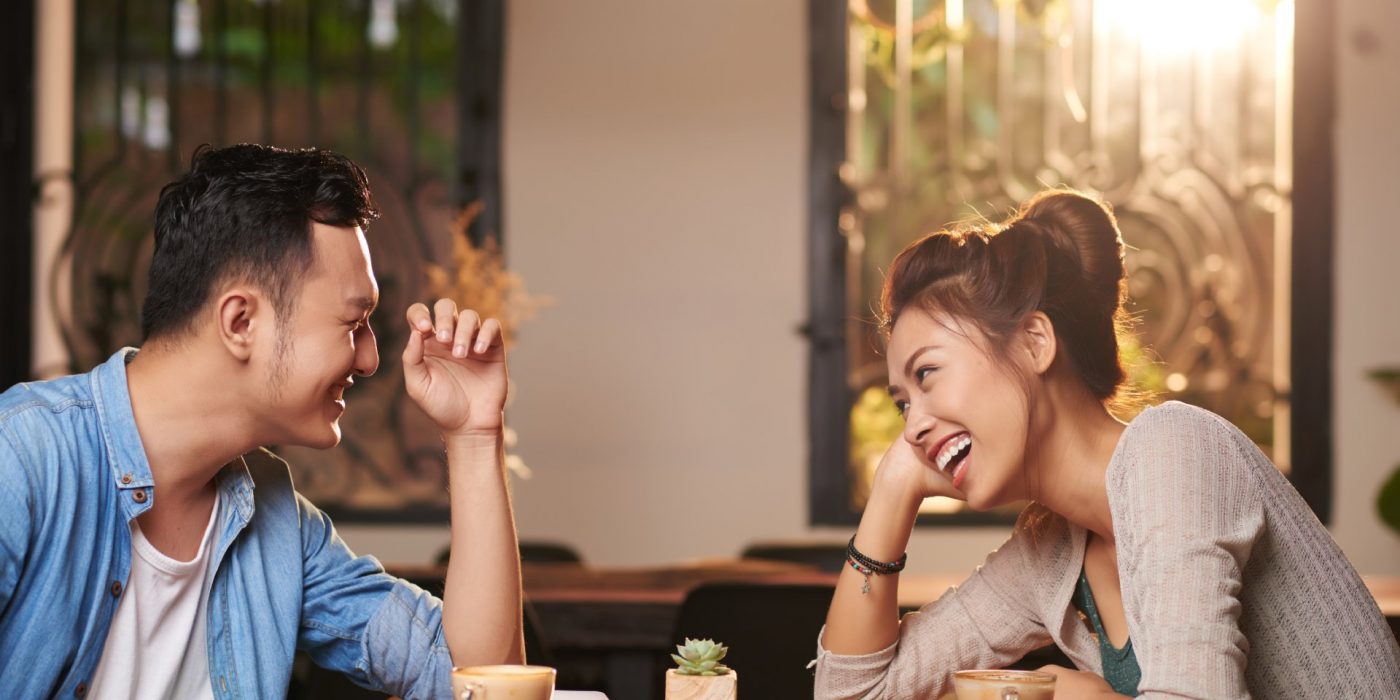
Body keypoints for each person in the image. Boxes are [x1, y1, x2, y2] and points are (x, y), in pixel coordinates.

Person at [813, 189, 1400, 698]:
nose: (912, 425)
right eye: (901, 404)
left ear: (1034, 342)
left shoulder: (1175, 451)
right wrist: (895, 486)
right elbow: (857, 695)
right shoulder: (1049, 553)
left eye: (927, 374)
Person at [0, 144, 524, 699]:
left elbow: (477, 685)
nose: (370, 359)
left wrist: (473, 435)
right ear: (241, 321)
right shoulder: (23, 462)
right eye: (354, 323)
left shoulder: (276, 520)